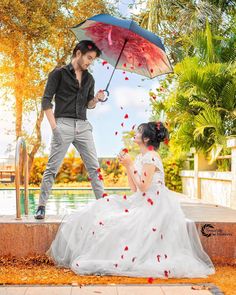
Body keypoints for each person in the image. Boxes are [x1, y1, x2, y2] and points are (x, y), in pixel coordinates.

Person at [47, 121, 215, 278]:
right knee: (103, 209)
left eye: (139, 132)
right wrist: (128, 166)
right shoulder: (142, 157)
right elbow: (134, 188)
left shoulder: (152, 156)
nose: (135, 133)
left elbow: (143, 186)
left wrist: (130, 165)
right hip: (142, 201)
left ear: (146, 138)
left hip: (154, 205)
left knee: (118, 221)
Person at [35, 40, 105, 220]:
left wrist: (96, 99)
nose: (90, 62)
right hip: (62, 124)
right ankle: (41, 206)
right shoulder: (58, 74)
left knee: (94, 168)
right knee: (52, 168)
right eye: (89, 57)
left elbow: (89, 104)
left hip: (83, 126)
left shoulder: (90, 79)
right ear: (78, 53)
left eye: (93, 59)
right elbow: (46, 101)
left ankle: (104, 207)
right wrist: (55, 128)